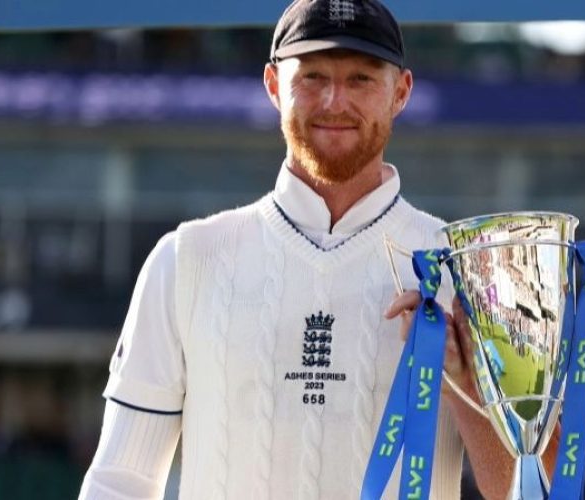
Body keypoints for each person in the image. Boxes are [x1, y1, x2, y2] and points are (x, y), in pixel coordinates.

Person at [78, 0, 511, 498]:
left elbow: (521, 490)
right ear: (272, 85)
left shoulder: (465, 271)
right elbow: (119, 480)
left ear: (401, 92)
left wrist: (467, 384)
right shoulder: (185, 260)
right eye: (312, 77)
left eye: (361, 80)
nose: (334, 101)